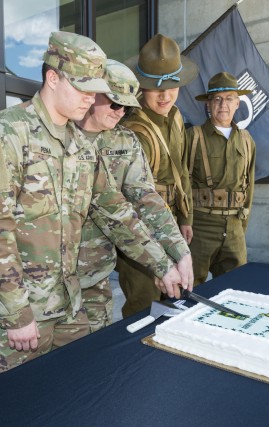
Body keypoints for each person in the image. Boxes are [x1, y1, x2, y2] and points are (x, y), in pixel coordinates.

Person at [0, 32, 185, 383]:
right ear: (52, 78)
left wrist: (164, 263)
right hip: (12, 320)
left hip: (68, 309)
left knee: (74, 400)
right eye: (84, 88)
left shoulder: (81, 146)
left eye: (95, 89)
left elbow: (115, 211)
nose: (92, 98)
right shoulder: (2, 134)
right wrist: (17, 312)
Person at [75, 59, 194, 332]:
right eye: (115, 103)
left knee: (95, 356)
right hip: (51, 278)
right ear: (92, 94)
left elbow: (146, 198)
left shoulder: (124, 140)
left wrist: (179, 250)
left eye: (127, 106)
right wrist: (161, 264)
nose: (120, 112)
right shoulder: (63, 137)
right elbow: (112, 210)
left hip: (96, 274)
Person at [118, 34, 198, 317]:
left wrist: (185, 216)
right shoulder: (132, 131)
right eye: (155, 88)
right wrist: (155, 258)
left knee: (173, 305)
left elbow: (182, 172)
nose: (165, 96)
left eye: (172, 87)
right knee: (144, 307)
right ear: (141, 86)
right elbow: (131, 202)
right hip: (142, 234)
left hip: (171, 222)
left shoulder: (175, 118)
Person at [185, 72, 256, 284]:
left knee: (235, 288)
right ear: (208, 104)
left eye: (229, 98)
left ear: (237, 103)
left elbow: (249, 186)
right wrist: (184, 223)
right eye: (217, 99)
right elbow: (182, 184)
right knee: (188, 289)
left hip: (234, 227)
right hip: (199, 225)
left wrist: (241, 225)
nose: (223, 104)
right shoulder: (193, 136)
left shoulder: (246, 140)